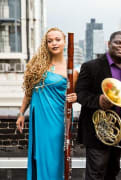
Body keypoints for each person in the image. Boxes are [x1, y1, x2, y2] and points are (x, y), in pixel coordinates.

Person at [16, 27, 78, 179]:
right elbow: (29, 92)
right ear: (46, 44)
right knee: (38, 156)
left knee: (54, 159)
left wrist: (75, 98)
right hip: (38, 119)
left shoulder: (71, 71)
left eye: (58, 40)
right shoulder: (37, 65)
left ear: (64, 42)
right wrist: (21, 113)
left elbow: (74, 96)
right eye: (50, 41)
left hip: (56, 120)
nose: (54, 43)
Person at [75, 31, 121, 180]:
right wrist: (98, 100)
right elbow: (80, 94)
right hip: (98, 131)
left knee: (112, 173)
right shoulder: (90, 66)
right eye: (118, 42)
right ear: (108, 44)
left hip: (118, 132)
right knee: (95, 174)